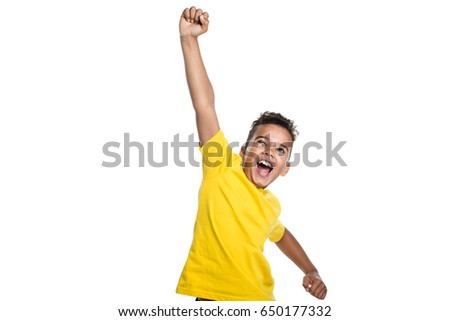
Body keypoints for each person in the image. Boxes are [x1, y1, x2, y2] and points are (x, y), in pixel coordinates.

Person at [176, 6, 327, 301]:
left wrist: (311, 270)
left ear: (285, 168)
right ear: (244, 152)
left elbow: (281, 235)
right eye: (262, 142)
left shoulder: (270, 206)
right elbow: (204, 104)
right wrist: (189, 40)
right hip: (214, 300)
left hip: (259, 303)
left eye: (281, 149)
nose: (270, 151)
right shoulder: (222, 166)